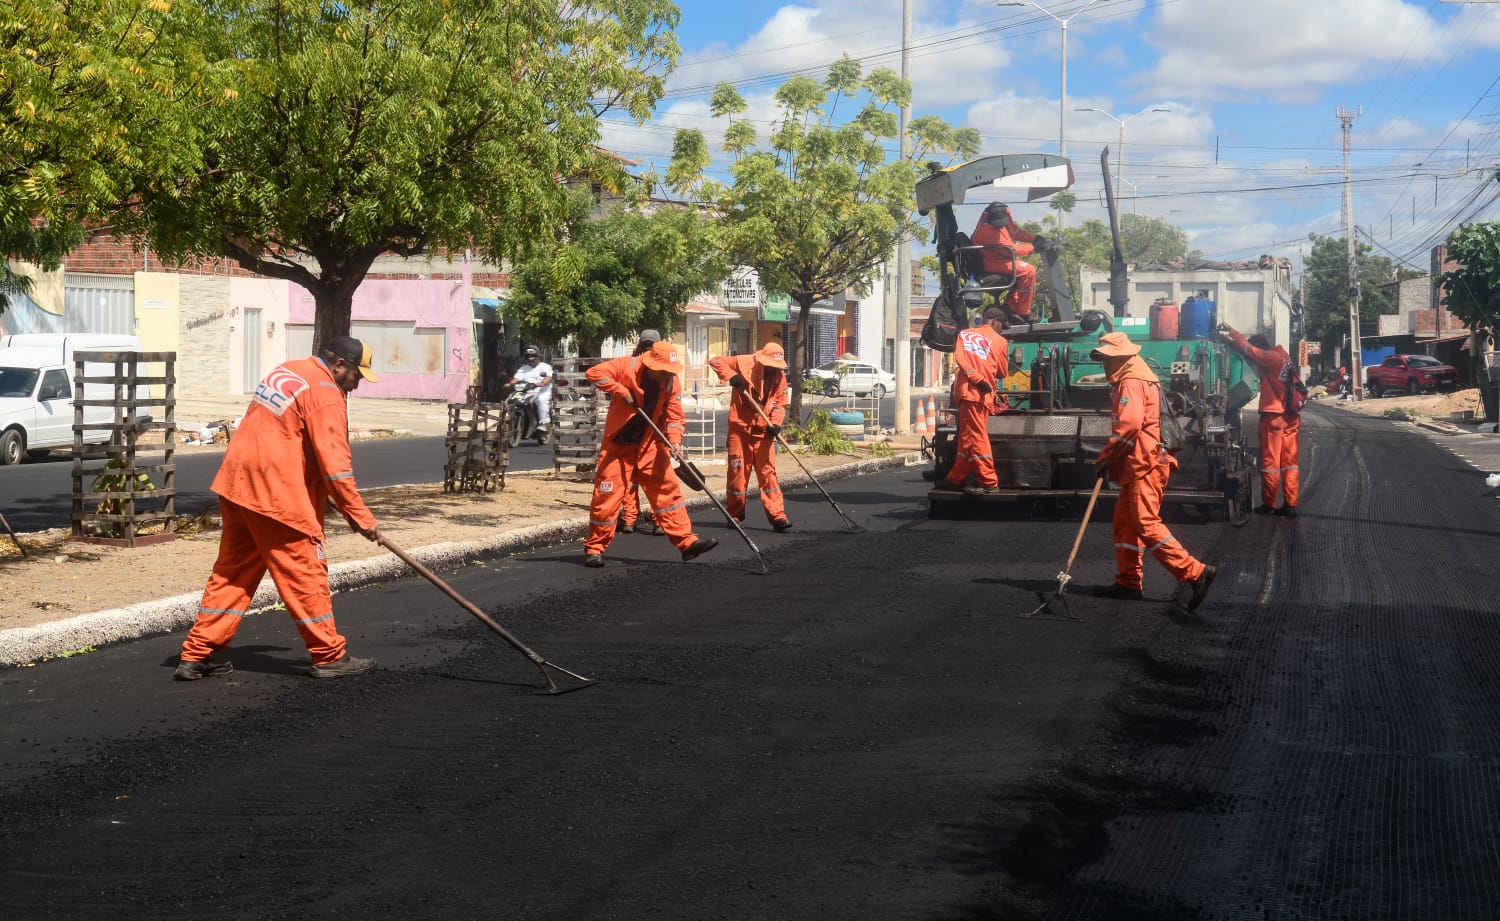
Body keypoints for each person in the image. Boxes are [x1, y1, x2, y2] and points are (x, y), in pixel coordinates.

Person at [175, 336, 383, 680]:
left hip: (238, 486)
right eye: (357, 375)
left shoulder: (287, 370)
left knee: (232, 573)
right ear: (339, 365)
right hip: (276, 495)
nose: (357, 383)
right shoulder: (326, 393)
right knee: (306, 572)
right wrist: (361, 517)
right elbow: (337, 466)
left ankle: (198, 654)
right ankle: (329, 655)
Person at [1090, 332, 1217, 608]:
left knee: (1145, 523)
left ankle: (1195, 572)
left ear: (1121, 357)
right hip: (1139, 462)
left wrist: (1105, 457)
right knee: (1125, 524)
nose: (1105, 365)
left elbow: (1129, 427)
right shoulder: (1136, 375)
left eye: (1107, 359)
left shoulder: (1132, 381)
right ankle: (1128, 582)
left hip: (1144, 462)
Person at [583, 340, 718, 567]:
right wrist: (621, 390)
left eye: (670, 372)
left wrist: (675, 441)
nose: (667, 376)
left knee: (669, 494)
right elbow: (594, 372)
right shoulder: (627, 367)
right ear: (652, 365)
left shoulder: (671, 384)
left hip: (650, 445)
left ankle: (687, 543)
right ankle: (594, 548)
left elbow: (675, 417)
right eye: (664, 372)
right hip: (619, 444)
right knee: (607, 497)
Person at [709, 341, 793, 530]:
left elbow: (780, 403)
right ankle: (735, 515)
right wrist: (732, 376)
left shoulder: (780, 378)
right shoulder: (745, 362)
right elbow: (715, 360)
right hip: (740, 431)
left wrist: (776, 425)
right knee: (738, 474)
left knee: (768, 474)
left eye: (776, 367)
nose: (773, 370)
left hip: (764, 432)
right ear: (762, 361)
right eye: (771, 366)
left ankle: (777, 516)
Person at [1219, 323, 1300, 517]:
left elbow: (1250, 350)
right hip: (1291, 416)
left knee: (1270, 463)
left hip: (1274, 417)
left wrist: (1231, 332)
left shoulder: (1270, 358)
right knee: (1290, 463)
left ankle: (1269, 504)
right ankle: (1290, 504)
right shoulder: (1284, 356)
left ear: (1262, 348)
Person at [937, 304, 1010, 495]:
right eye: (1002, 324)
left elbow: (961, 358)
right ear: (993, 321)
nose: (1002, 328)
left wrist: (975, 376)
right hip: (980, 395)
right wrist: (981, 378)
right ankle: (985, 481)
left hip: (967, 393)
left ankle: (965, 480)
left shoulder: (965, 334)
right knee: (974, 437)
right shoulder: (1000, 341)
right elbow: (1002, 373)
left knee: (970, 437)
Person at [619, 330, 662, 534]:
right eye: (645, 346)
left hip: (653, 434)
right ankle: (630, 518)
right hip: (631, 430)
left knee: (652, 479)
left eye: (650, 346)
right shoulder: (630, 367)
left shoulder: (664, 371)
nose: (647, 350)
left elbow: (673, 410)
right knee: (632, 478)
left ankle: (656, 520)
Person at [970, 202, 1041, 322]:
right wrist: (1034, 247)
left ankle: (1010, 307)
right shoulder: (987, 232)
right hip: (991, 262)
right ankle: (1024, 312)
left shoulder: (1004, 220)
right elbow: (1012, 250)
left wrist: (1035, 238)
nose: (1000, 225)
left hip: (1001, 258)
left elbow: (1015, 232)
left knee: (1023, 271)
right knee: (1028, 271)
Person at [508, 345, 554, 437]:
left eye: (532, 356)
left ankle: (544, 423)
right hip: (526, 390)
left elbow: (548, 377)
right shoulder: (523, 368)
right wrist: (510, 384)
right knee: (510, 399)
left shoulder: (545, 367)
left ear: (537, 356)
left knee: (540, 400)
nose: (530, 358)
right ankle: (508, 421)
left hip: (542, 391)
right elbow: (516, 378)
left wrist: (542, 383)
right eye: (528, 356)